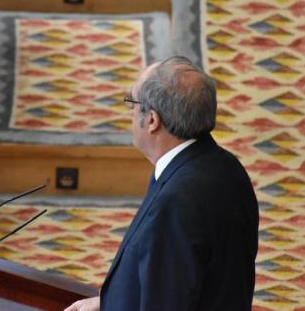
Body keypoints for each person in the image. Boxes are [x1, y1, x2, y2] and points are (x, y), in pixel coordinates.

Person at [65, 56, 259, 311]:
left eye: (132, 103)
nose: (130, 113)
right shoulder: (224, 166)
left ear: (153, 121)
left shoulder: (176, 202)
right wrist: (109, 302)